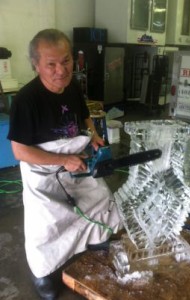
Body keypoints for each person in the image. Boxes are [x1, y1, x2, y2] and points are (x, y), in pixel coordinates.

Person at [7, 28, 123, 300]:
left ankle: (95, 242)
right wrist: (62, 160)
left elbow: (85, 118)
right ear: (36, 65)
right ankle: (44, 273)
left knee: (99, 197)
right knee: (48, 225)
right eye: (51, 64)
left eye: (67, 60)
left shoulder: (71, 89)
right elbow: (20, 151)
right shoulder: (26, 100)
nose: (61, 70)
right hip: (42, 173)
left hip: (75, 163)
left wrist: (93, 136)